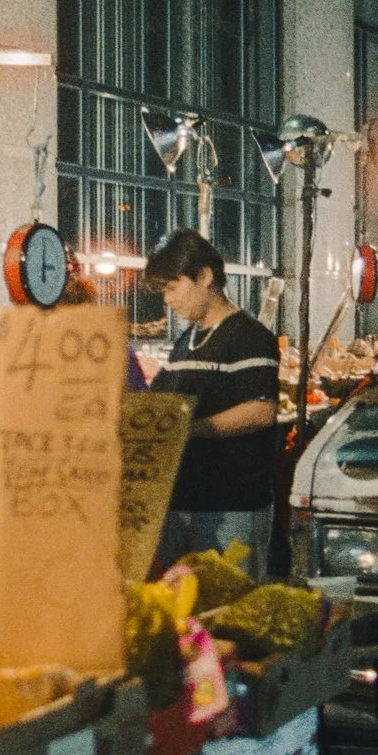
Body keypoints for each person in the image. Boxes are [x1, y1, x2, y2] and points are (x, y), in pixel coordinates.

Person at [144, 229, 278, 574]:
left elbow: (262, 410)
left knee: (229, 611)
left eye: (172, 287)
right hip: (180, 504)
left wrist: (191, 430)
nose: (168, 300)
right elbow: (160, 401)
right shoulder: (184, 343)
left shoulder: (250, 336)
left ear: (204, 276)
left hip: (231, 507)